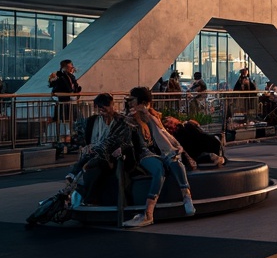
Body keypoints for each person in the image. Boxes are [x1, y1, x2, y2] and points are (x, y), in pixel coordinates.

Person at [122, 86, 197, 228]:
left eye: (132, 100)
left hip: (160, 151)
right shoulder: (130, 117)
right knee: (159, 169)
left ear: (142, 102)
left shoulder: (152, 116)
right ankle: (149, 212)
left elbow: (163, 134)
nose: (130, 103)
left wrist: (176, 145)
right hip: (143, 152)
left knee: (174, 160)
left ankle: (186, 196)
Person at [65, 92, 120, 205]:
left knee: (93, 167)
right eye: (99, 106)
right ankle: (80, 191)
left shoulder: (118, 121)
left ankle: (86, 193)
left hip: (109, 154)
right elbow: (88, 139)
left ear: (111, 105)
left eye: (104, 106)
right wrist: (88, 146)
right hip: (96, 152)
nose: (101, 109)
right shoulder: (93, 120)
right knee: (91, 162)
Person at [49, 59, 81, 140]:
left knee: (68, 120)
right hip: (65, 102)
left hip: (66, 102)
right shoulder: (62, 76)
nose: (72, 68)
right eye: (70, 67)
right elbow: (68, 88)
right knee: (65, 121)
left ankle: (67, 137)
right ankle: (65, 138)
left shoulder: (66, 76)